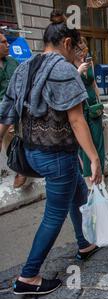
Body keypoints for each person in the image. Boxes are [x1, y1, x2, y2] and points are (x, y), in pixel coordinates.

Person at [0, 10, 102, 295]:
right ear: (67, 43)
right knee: (53, 215)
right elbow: (77, 119)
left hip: (29, 153)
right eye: (77, 47)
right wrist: (93, 158)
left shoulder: (23, 66)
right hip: (56, 155)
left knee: (76, 192)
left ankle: (85, 243)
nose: (77, 54)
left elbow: (6, 114)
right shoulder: (63, 69)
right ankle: (28, 277)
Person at [74, 37, 106, 188]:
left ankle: (101, 173)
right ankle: (88, 176)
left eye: (84, 48)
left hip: (93, 105)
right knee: (85, 143)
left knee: (98, 140)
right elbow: (70, 85)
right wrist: (78, 72)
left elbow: (94, 84)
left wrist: (101, 103)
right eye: (79, 50)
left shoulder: (89, 62)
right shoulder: (69, 65)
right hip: (80, 107)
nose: (82, 53)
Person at [0, 31, 27, 189]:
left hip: (17, 107)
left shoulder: (13, 62)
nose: (7, 45)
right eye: (3, 42)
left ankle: (21, 169)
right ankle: (18, 168)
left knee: (18, 133)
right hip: (2, 111)